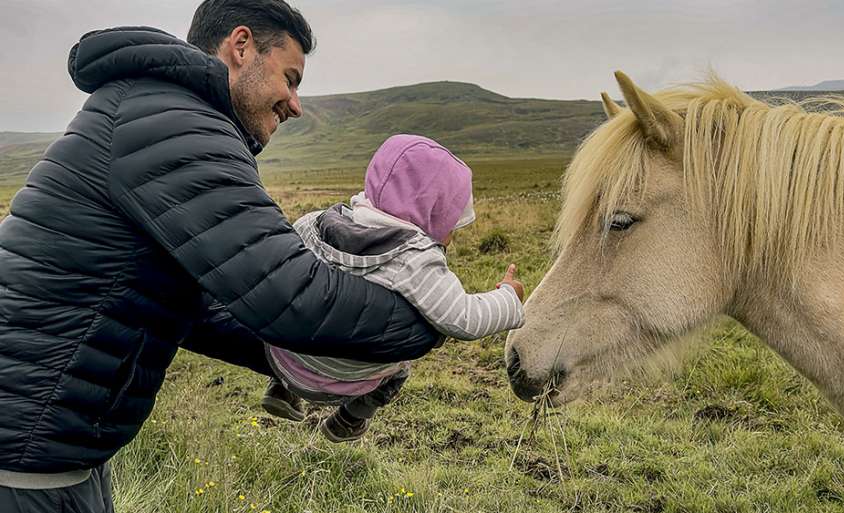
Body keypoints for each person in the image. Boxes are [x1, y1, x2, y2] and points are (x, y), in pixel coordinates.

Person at [0, 1, 441, 511]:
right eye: (290, 78)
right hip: (23, 461)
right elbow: (291, 292)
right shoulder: (173, 124)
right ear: (241, 45)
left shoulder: (162, 113)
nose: (295, 105)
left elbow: (202, 312)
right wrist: (428, 314)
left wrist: (305, 362)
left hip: (55, 452)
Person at [260, 134, 525, 442]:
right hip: (344, 381)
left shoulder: (314, 222)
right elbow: (462, 318)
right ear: (432, 211)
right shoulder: (413, 259)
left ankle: (280, 388)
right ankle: (349, 420)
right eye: (450, 220)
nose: (452, 233)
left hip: (285, 359)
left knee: (294, 301)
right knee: (400, 366)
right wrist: (509, 297)